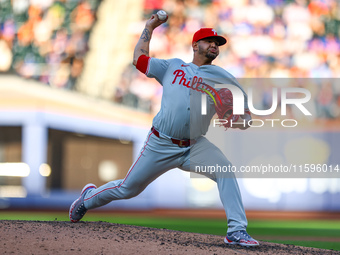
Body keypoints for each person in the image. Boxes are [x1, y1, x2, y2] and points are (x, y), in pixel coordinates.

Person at [69, 13, 259, 247]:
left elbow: (246, 117)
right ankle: (88, 199)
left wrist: (237, 120)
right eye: (209, 40)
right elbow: (139, 59)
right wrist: (149, 27)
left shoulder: (224, 78)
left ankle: (236, 230)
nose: (214, 45)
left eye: (217, 43)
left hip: (194, 145)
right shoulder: (172, 66)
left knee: (225, 171)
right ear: (195, 45)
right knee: (128, 189)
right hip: (161, 143)